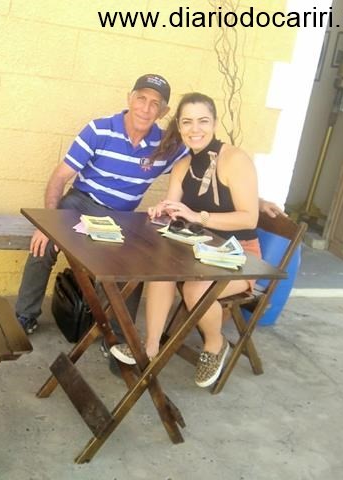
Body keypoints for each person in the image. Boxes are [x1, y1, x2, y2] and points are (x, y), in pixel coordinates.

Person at [109, 92, 263, 389]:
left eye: (203, 121)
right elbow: (173, 210)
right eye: (187, 122)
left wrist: (197, 216)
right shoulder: (182, 166)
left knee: (195, 290)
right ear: (179, 126)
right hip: (199, 250)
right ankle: (150, 348)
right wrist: (163, 210)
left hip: (240, 257)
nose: (195, 129)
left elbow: (249, 219)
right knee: (160, 269)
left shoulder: (235, 159)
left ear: (214, 123)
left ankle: (215, 345)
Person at [14, 74, 181, 337]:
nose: (146, 108)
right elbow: (59, 177)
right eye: (141, 98)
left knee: (134, 265)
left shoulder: (166, 144)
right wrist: (48, 222)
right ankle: (25, 315)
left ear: (163, 112)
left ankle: (117, 336)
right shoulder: (99, 130)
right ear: (130, 98)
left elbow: (194, 161)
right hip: (81, 204)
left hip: (122, 218)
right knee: (43, 243)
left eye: (155, 103)